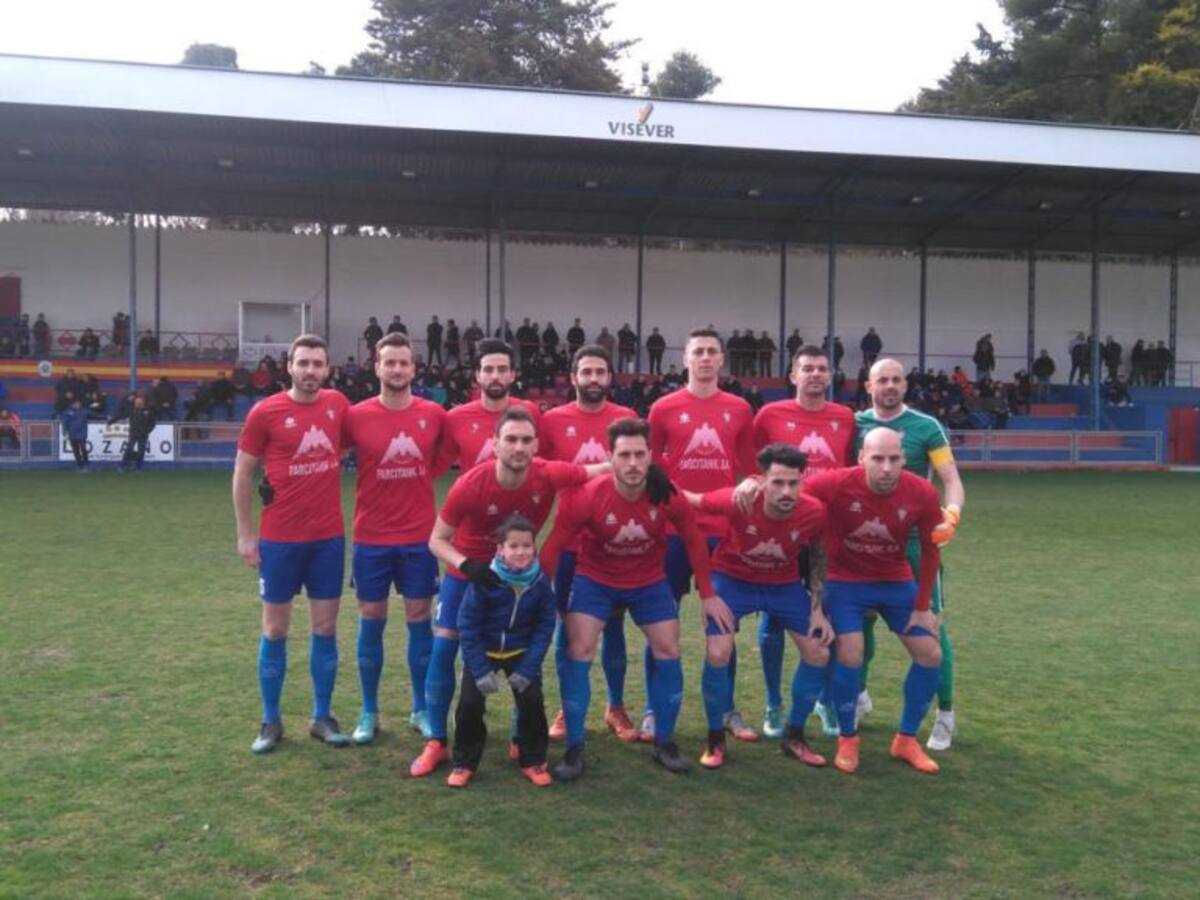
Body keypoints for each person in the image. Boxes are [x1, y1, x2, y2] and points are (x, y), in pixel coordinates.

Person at [412, 408, 605, 777]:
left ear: (535, 445)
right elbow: (436, 539)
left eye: (525, 440)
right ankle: (437, 740)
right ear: (495, 444)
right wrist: (467, 565)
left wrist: (650, 475)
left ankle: (521, 739)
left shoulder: (548, 473)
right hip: (470, 573)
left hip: (521, 577)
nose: (518, 447)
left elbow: (599, 470)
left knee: (523, 650)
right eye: (511, 439)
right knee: (445, 644)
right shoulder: (471, 484)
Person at [541, 417, 716, 778]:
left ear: (650, 456)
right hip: (595, 580)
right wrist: (539, 591)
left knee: (668, 648)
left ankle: (664, 743)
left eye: (639, 455)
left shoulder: (666, 492)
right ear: (611, 458)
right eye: (624, 455)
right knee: (579, 649)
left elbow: (694, 539)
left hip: (648, 581)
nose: (633, 463)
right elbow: (554, 546)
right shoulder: (587, 495)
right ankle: (574, 748)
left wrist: (708, 594)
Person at [233, 334, 352, 753]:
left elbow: (350, 444)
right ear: (289, 366)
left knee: (325, 628)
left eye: (317, 364)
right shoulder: (265, 412)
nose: (310, 371)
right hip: (280, 541)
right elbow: (243, 472)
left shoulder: (337, 405)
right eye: (303, 363)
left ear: (328, 369)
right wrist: (245, 534)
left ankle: (322, 717)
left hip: (328, 539)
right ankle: (271, 720)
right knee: (274, 628)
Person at [803, 428, 944, 775]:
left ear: (904, 459)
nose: (886, 468)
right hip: (845, 581)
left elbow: (931, 551)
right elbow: (790, 491)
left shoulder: (923, 492)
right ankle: (847, 739)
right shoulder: (836, 483)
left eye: (894, 459)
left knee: (931, 654)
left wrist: (923, 606)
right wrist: (755, 485)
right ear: (862, 458)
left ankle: (905, 740)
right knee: (851, 652)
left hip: (895, 580)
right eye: (878, 459)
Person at [684, 443, 832, 769]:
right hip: (732, 580)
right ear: (762, 481)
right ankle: (715, 738)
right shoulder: (738, 500)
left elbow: (819, 554)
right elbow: (690, 500)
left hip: (783, 586)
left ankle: (794, 735)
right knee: (718, 652)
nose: (786, 491)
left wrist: (817, 608)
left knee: (819, 652)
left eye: (793, 483)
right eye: (777, 482)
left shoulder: (814, 511)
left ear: (802, 482)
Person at [646, 328, 756, 741]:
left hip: (722, 533)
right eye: (698, 351)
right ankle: (654, 710)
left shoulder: (739, 409)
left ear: (722, 359)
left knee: (724, 625)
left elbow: (751, 470)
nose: (705, 358)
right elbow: (650, 468)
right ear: (685, 358)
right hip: (673, 532)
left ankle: (726, 709)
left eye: (712, 351)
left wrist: (749, 488)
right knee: (661, 622)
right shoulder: (663, 408)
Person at [341, 332, 449, 746]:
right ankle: (369, 711)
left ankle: (420, 708)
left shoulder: (433, 414)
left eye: (404, 362)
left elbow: (443, 457)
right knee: (371, 618)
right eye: (390, 362)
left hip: (419, 538)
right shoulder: (356, 416)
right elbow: (327, 455)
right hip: (371, 537)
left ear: (414, 368)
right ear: (377, 367)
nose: (397, 369)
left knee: (419, 618)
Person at [855, 358, 965, 751]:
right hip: (865, 543)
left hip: (915, 545)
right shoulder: (854, 425)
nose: (890, 385)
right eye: (882, 379)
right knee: (860, 622)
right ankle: (859, 697)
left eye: (896, 379)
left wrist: (951, 514)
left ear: (905, 385)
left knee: (930, 627)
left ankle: (945, 714)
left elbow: (951, 479)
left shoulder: (926, 426)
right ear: (869, 386)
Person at [749, 345, 856, 737]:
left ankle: (824, 701)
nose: (815, 374)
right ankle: (773, 703)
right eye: (807, 368)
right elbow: (754, 469)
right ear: (793, 375)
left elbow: (851, 471)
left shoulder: (845, 417)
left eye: (821, 369)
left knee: (828, 616)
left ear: (830, 375)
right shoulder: (769, 415)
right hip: (781, 531)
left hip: (828, 534)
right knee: (773, 617)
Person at [540, 346, 639, 743]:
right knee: (567, 626)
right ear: (574, 377)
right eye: (587, 372)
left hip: (613, 543)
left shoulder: (626, 418)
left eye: (600, 372)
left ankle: (615, 707)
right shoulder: (552, 421)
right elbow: (540, 471)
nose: (594, 378)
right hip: (570, 543)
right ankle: (568, 707)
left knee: (613, 625)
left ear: (609, 377)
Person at [449, 515, 556, 788]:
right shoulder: (486, 579)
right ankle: (464, 762)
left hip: (521, 652)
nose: (521, 552)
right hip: (483, 652)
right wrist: (480, 670)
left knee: (532, 701)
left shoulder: (540, 582)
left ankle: (533, 759)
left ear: (534, 548)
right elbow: (467, 624)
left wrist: (528, 668)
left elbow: (545, 626)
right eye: (513, 546)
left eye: (527, 546)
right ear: (500, 549)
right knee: (470, 704)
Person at [439, 339, 541, 471]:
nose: (495, 376)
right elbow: (435, 466)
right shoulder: (455, 418)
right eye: (488, 370)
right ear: (478, 375)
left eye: (502, 370)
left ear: (512, 375)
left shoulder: (530, 412)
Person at [112, 395, 157, 472]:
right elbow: (121, 414)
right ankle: (123, 466)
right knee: (129, 450)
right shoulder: (131, 410)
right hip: (133, 433)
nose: (137, 404)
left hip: (143, 435)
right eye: (136, 402)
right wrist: (111, 421)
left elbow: (153, 423)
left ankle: (138, 467)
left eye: (138, 403)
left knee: (141, 451)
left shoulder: (148, 411)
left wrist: (147, 431)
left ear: (142, 403)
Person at [61, 396, 91, 470]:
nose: (77, 405)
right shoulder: (67, 412)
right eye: (76, 403)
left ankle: (86, 464)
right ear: (72, 404)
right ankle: (79, 465)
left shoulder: (84, 411)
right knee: (76, 450)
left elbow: (95, 415)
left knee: (83, 449)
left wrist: (106, 417)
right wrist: (65, 432)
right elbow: (65, 422)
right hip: (72, 434)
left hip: (82, 434)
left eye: (78, 403)